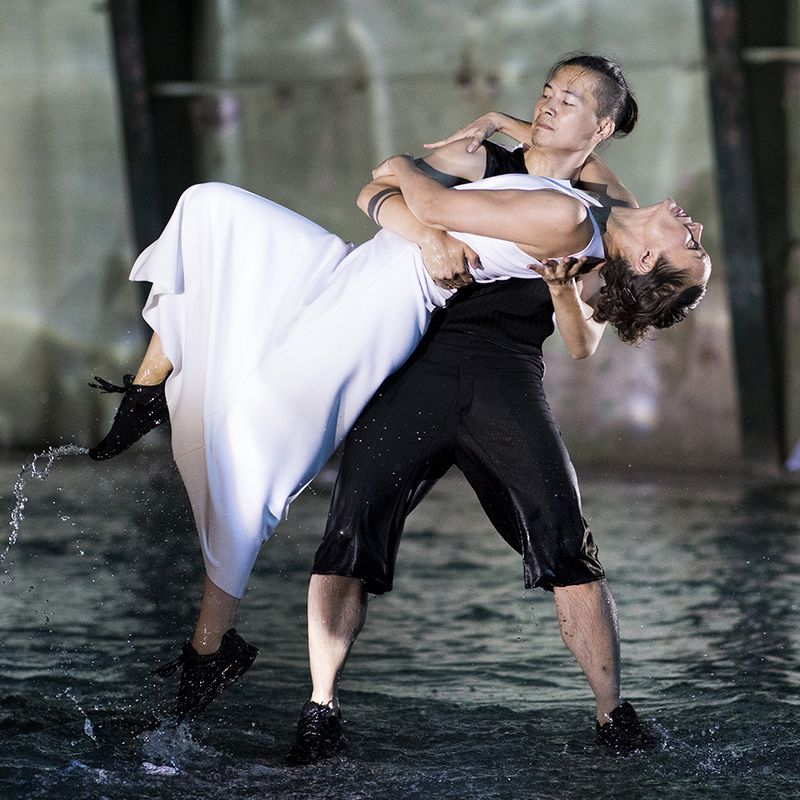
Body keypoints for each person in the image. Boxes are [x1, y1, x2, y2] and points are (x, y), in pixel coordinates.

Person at [89, 55, 709, 735]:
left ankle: (211, 649)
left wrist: (417, 198)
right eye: (548, 92)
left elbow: (415, 191)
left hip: (409, 316)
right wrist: (484, 143)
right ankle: (147, 390)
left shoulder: (573, 218)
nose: (696, 226)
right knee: (210, 209)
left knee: (256, 445)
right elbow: (387, 193)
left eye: (691, 243)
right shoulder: (597, 199)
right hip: (361, 276)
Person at [284, 55, 710, 763]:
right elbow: (391, 191)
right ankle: (320, 706)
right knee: (351, 527)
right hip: (420, 355)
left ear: (601, 128)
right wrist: (469, 161)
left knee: (566, 538)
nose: (550, 105)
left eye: (569, 100)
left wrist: (563, 292)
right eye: (548, 94)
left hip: (506, 372)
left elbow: (583, 343)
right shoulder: (488, 161)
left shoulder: (602, 209)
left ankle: (614, 716)